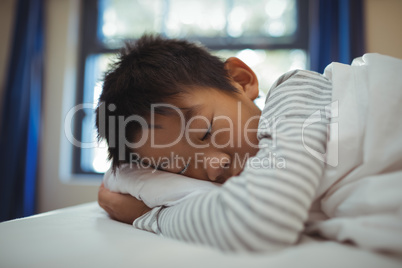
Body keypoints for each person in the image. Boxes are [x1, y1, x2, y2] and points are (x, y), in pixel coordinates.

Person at [96, 35, 402, 253]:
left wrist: (145, 216)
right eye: (183, 168)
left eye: (205, 132)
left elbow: (257, 221)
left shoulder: (298, 95)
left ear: (241, 80)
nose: (214, 168)